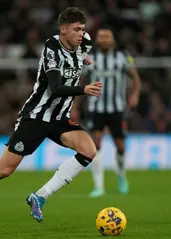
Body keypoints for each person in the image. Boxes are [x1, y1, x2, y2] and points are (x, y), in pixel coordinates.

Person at [0, 7, 102, 233]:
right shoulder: (51, 48)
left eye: (83, 29)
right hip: (36, 116)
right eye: (76, 30)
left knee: (88, 150)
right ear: (63, 30)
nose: (81, 34)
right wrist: (84, 89)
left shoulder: (84, 42)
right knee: (4, 169)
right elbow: (54, 88)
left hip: (59, 118)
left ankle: (40, 196)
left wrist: (84, 57)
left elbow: (84, 53)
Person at [73, 26, 141, 197]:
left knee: (120, 146)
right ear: (97, 40)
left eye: (107, 37)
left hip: (117, 108)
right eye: (101, 37)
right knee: (95, 146)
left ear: (112, 40)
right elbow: (81, 80)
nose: (104, 40)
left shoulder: (122, 57)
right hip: (95, 108)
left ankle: (121, 176)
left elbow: (135, 77)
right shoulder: (90, 58)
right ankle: (99, 186)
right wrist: (74, 103)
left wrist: (134, 94)